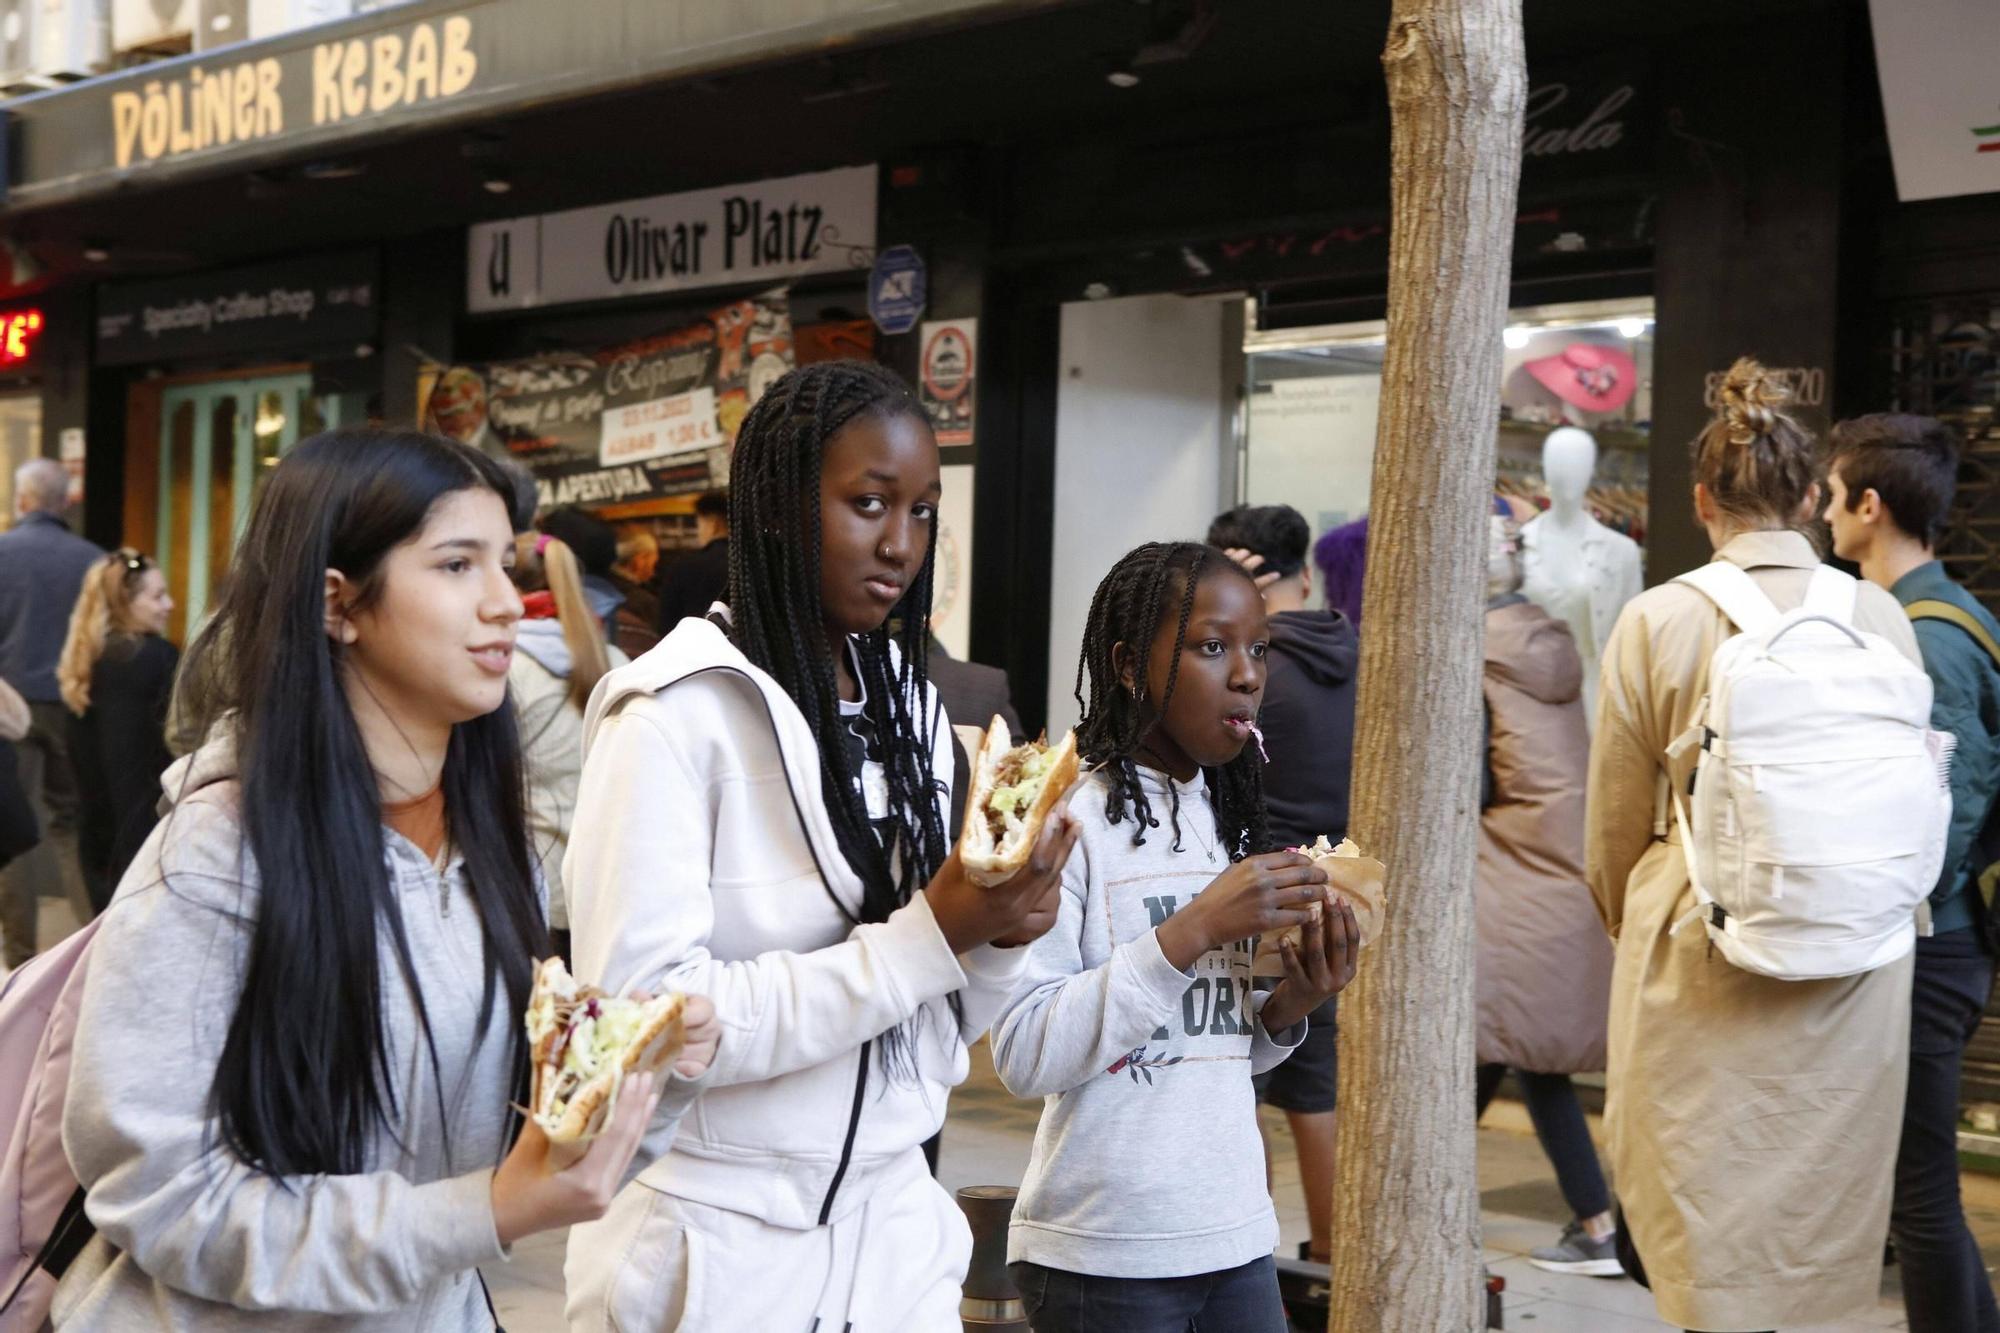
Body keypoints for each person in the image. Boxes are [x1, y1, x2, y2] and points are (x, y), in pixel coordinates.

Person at [51, 428, 719, 1330]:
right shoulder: (219, 850)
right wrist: (477, 1210)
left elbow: (524, 1172)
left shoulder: (492, 848)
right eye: (455, 565)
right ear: (338, 603)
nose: (503, 604)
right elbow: (160, 1193)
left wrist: (647, 1076)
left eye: (506, 563)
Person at [561, 361, 1075, 1333]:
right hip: (710, 1249)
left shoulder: (913, 712)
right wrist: (931, 933)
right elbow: (650, 1030)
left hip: (893, 1245)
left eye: (922, 510)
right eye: (867, 502)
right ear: (773, 506)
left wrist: (1005, 931)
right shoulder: (672, 715)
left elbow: (937, 1026)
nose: (900, 543)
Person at [1588, 360, 1921, 1332]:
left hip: (1699, 943)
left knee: (1695, 1198)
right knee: (1816, 1202)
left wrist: (1629, 923)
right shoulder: (1879, 616)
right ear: (1814, 497)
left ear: (1700, 500)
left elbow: (1612, 824)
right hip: (1853, 965)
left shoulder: (1656, 618)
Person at [993, 540, 1359, 1333]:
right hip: (1106, 1248)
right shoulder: (1069, 820)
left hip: (1235, 1231)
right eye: (1212, 646)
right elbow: (1023, 1051)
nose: (1248, 674)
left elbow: (1221, 1046)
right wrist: (1190, 931)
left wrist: (1294, 998)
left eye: (1259, 649)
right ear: (1129, 665)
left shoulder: (1224, 818)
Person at [1825, 412, 2000, 1333]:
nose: (1820, 508)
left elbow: (1953, 803)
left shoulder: (1929, 632)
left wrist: (1883, 908)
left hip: (1934, 948)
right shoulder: (1925, 614)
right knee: (1917, 1187)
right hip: (1937, 945)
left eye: (1832, 490)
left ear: (1870, 504)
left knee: (1921, 1192)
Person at [1208, 502, 1357, 1267]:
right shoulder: (1355, 649)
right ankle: (1333, 1261)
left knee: (1245, 1086)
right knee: (1317, 1094)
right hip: (1338, 884)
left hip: (1256, 887)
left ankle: (1254, 1255)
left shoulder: (1258, 668)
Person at [1474, 514, 1619, 1277]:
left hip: (1509, 889)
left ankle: (1597, 1224)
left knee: (1499, 1046)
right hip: (1554, 884)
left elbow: (1469, 789)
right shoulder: (1548, 648)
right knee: (1504, 1050)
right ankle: (1595, 1221)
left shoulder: (1479, 664)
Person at [508, 532, 625, 963]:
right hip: (609, 885)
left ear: (511, 587)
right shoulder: (615, 660)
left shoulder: (501, 668)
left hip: (537, 887)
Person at [0, 458, 100, 963]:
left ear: (23, 500)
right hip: (73, 705)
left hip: (8, 706)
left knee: (12, 822)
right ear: (66, 501)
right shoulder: (93, 560)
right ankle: (92, 949)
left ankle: (20, 954)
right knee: (71, 820)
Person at [56, 549, 179, 914]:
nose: (169, 605)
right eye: (157, 596)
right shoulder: (151, 659)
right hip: (144, 850)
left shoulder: (85, 661)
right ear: (126, 601)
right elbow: (131, 776)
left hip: (97, 848)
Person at [655, 487, 731, 631]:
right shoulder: (752, 564)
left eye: (699, 524)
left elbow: (666, 626)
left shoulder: (683, 568)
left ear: (713, 524)